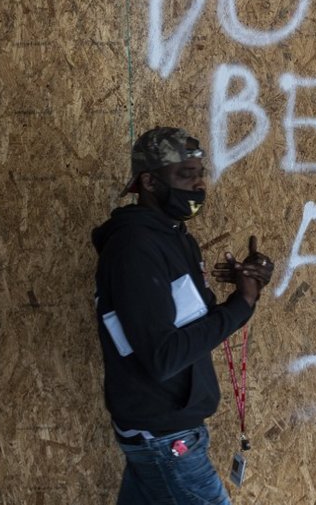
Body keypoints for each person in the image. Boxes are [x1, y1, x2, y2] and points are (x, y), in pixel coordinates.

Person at [92, 127, 274, 504]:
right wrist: (240, 306)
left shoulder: (175, 238)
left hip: (167, 431)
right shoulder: (135, 248)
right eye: (185, 175)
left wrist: (243, 287)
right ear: (149, 181)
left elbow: (187, 323)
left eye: (199, 173)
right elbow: (163, 356)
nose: (198, 184)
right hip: (164, 438)